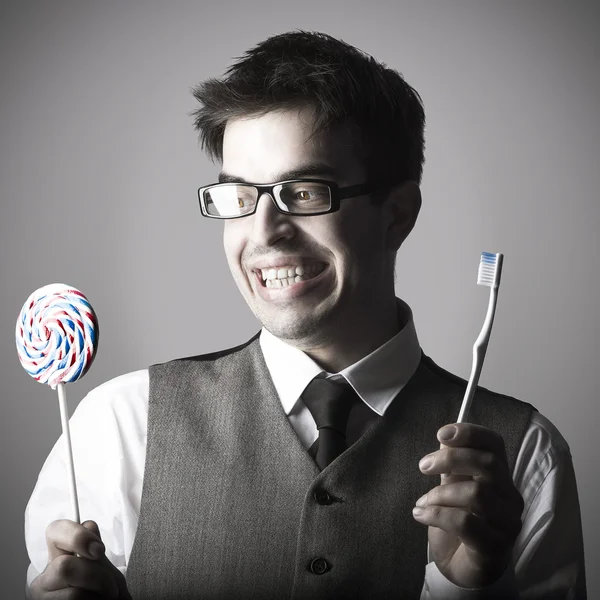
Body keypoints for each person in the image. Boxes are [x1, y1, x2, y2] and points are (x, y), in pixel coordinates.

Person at [25, 30, 586, 599]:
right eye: (238, 196)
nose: (264, 232)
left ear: (397, 214)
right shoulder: (119, 427)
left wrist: (465, 587)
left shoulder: (524, 455)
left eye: (306, 192)